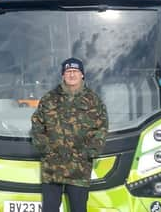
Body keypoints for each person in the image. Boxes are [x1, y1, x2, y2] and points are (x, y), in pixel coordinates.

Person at [31, 57, 108, 212]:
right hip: (53, 167)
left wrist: (90, 152)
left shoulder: (93, 100)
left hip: (79, 168)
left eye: (75, 71)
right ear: (63, 76)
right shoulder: (49, 99)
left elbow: (102, 128)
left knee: (79, 209)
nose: (72, 75)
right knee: (50, 209)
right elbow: (37, 124)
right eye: (68, 72)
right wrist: (45, 148)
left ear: (82, 75)